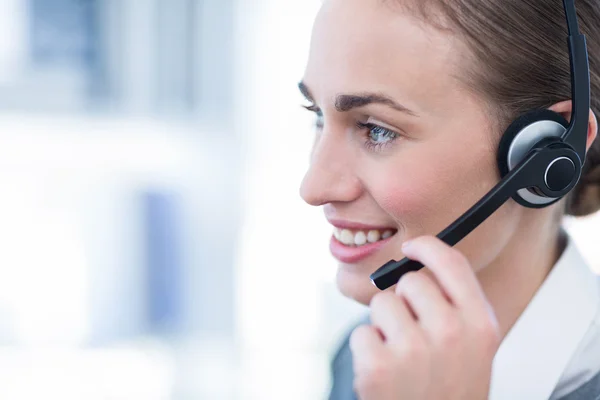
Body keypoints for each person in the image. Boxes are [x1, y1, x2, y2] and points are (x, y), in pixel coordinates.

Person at [297, 0, 600, 399]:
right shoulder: (365, 360)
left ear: (545, 149)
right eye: (319, 115)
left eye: (377, 130)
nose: (313, 188)